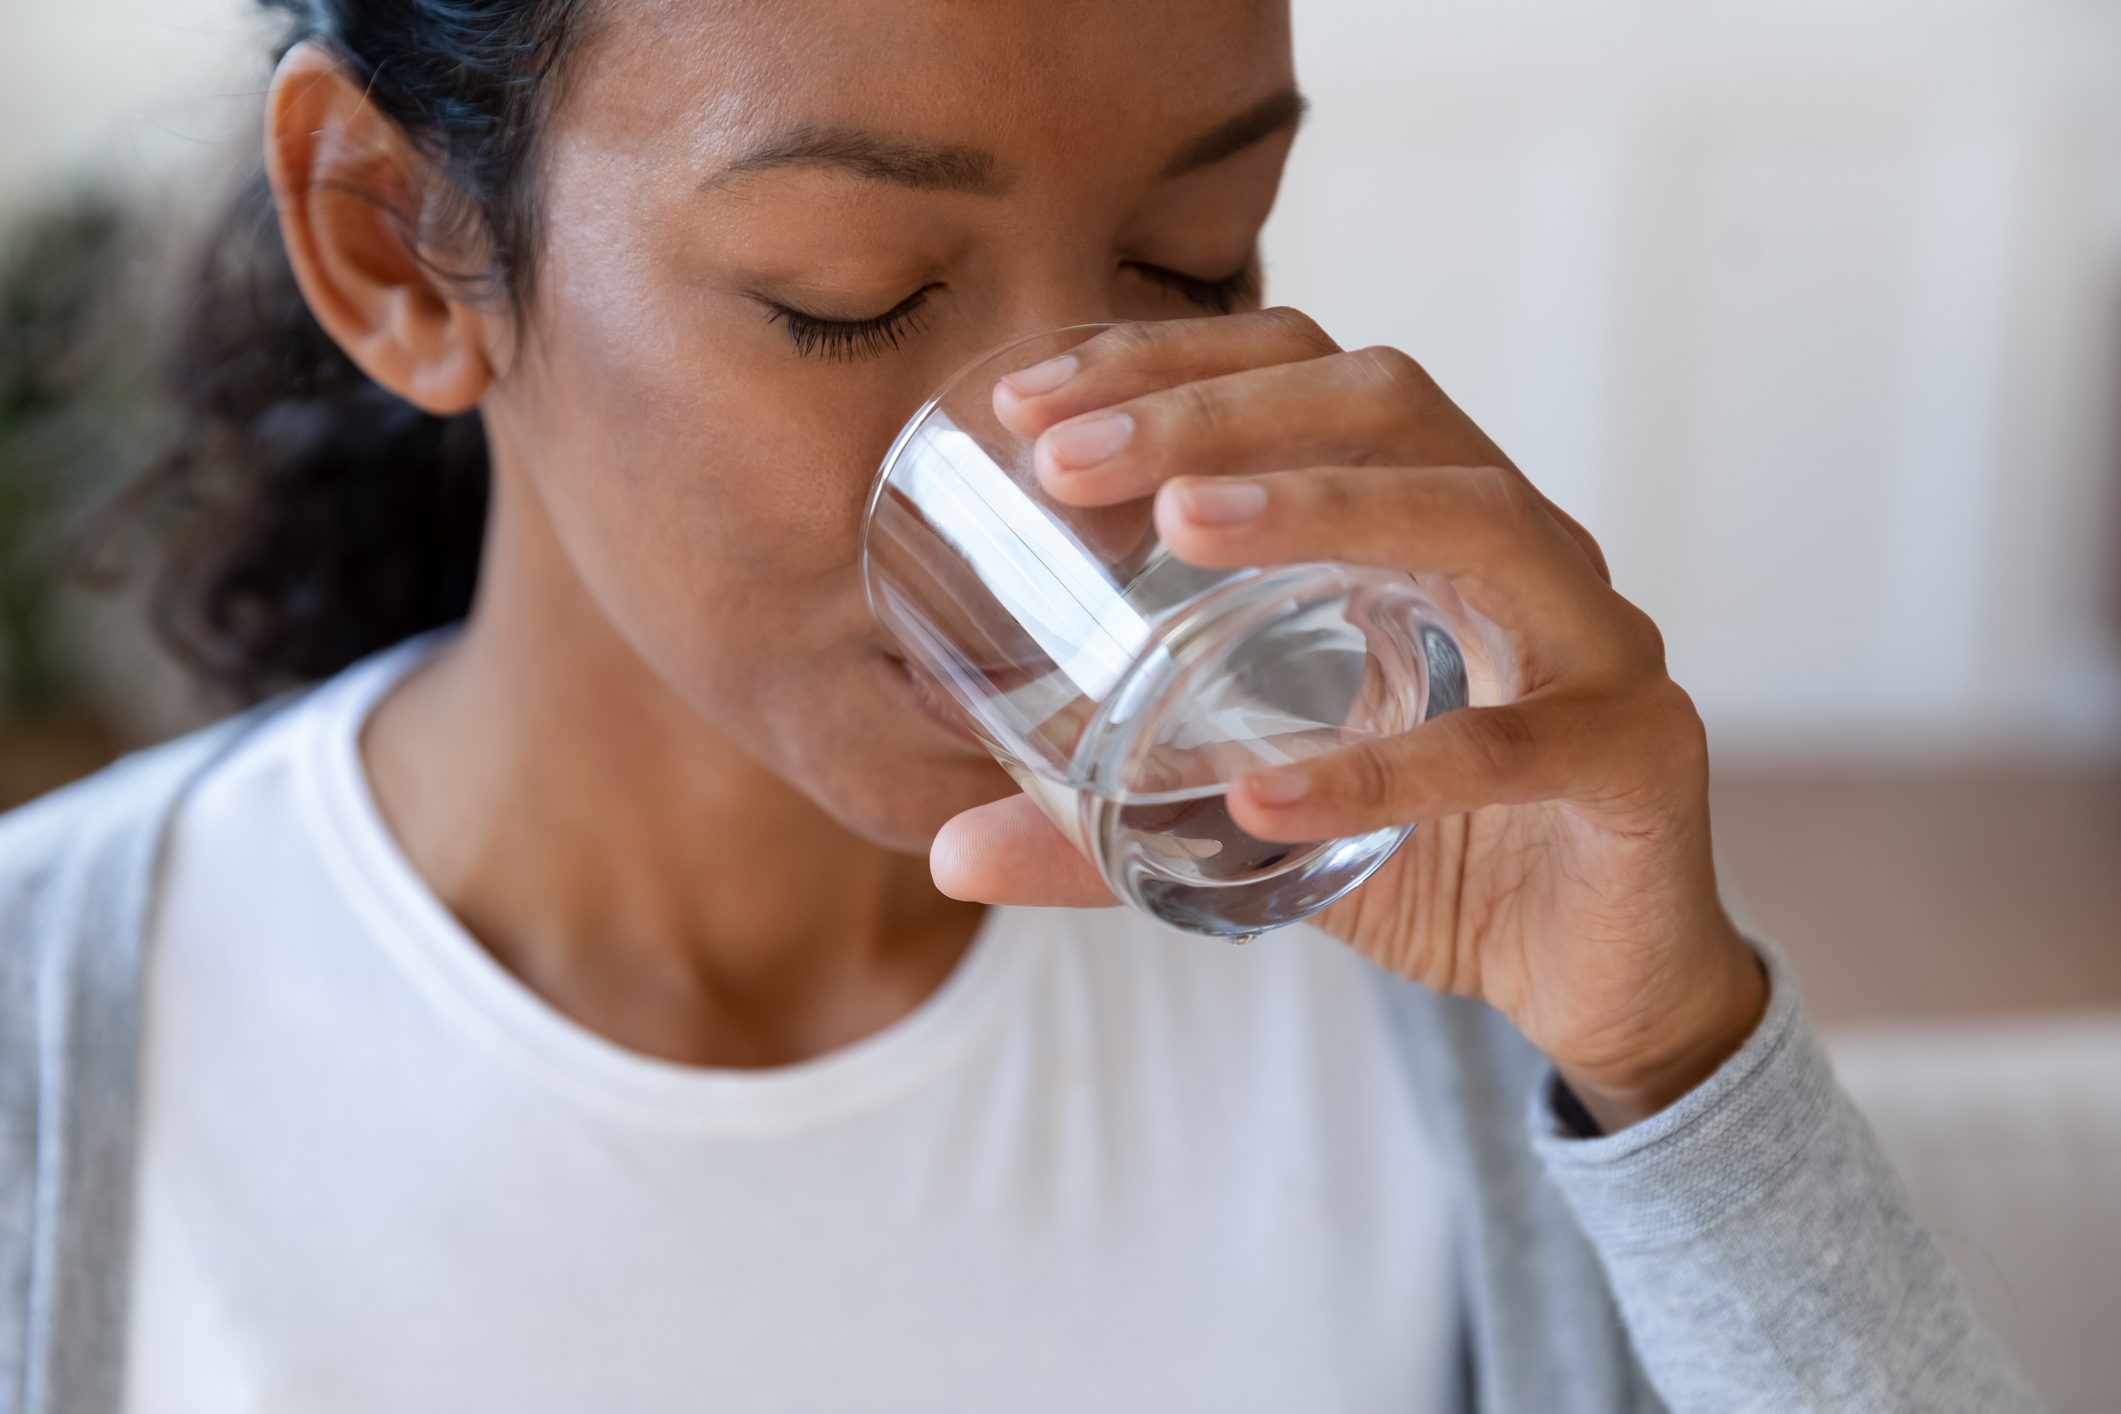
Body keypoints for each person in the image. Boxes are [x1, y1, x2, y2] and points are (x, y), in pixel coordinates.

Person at [0, 2, 2042, 1411]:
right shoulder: (54, 1047)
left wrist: (1676, 1065)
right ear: (397, 244)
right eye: (851, 294)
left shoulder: (1424, 997)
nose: (1087, 464)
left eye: (1190, 259)